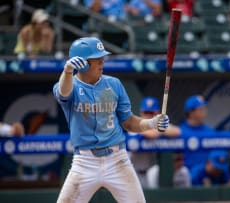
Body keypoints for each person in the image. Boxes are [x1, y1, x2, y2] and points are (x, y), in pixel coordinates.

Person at [53, 37, 169, 202]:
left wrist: (151, 123)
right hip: (84, 162)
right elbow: (63, 93)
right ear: (83, 63)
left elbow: (128, 122)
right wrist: (67, 71)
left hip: (117, 159)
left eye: (103, 58)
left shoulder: (114, 84)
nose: (102, 62)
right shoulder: (69, 86)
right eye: (97, 59)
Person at [129, 96, 181, 188]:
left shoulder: (157, 125)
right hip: (133, 173)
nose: (149, 115)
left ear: (157, 113)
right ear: (141, 112)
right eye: (146, 112)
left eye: (151, 112)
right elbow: (151, 134)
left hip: (151, 173)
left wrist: (160, 128)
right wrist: (160, 128)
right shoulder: (136, 124)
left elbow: (177, 131)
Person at [180, 95, 215, 171]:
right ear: (191, 112)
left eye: (204, 108)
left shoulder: (210, 131)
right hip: (186, 174)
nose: (204, 111)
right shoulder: (180, 131)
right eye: (201, 109)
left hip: (206, 174)